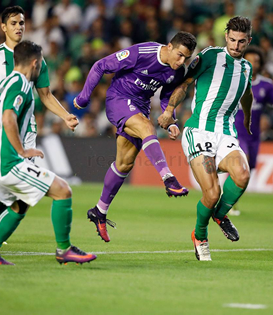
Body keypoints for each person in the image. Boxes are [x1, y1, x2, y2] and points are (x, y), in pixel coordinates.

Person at [0, 40, 95, 265]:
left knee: (20, 204)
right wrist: (21, 149)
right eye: (41, 64)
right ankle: (64, 250)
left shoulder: (4, 83)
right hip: (8, 162)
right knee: (63, 190)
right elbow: (8, 117)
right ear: (35, 63)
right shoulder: (21, 84)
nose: (41, 68)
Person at [0, 6, 78, 244]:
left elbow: (46, 95)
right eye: (14, 23)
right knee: (18, 185)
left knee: (18, 187)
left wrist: (65, 115)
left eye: (22, 23)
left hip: (26, 131)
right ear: (3, 27)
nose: (19, 27)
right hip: (2, 130)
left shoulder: (34, 57)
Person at [73, 32, 197, 243]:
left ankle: (99, 211)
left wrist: (172, 119)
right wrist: (84, 97)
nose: (181, 61)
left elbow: (167, 96)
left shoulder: (177, 71)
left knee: (124, 163)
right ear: (169, 46)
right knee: (147, 128)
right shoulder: (142, 52)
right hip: (118, 99)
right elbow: (100, 65)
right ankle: (168, 178)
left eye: (186, 58)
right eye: (179, 55)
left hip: (140, 106)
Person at [158, 17, 253, 261]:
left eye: (241, 41)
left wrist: (247, 118)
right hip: (199, 133)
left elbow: (246, 94)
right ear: (226, 37)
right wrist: (169, 111)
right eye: (232, 39)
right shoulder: (210, 55)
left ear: (248, 41)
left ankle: (220, 215)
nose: (236, 45)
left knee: (242, 174)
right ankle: (200, 235)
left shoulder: (247, 68)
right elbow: (185, 84)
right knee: (212, 193)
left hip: (226, 134)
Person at [231, 45, 273, 214]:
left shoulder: (266, 84)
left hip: (254, 135)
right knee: (241, 164)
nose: (253, 63)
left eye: (256, 61)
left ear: (261, 64)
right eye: (249, 60)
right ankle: (228, 202)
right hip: (235, 131)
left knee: (248, 170)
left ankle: (229, 196)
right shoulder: (233, 81)